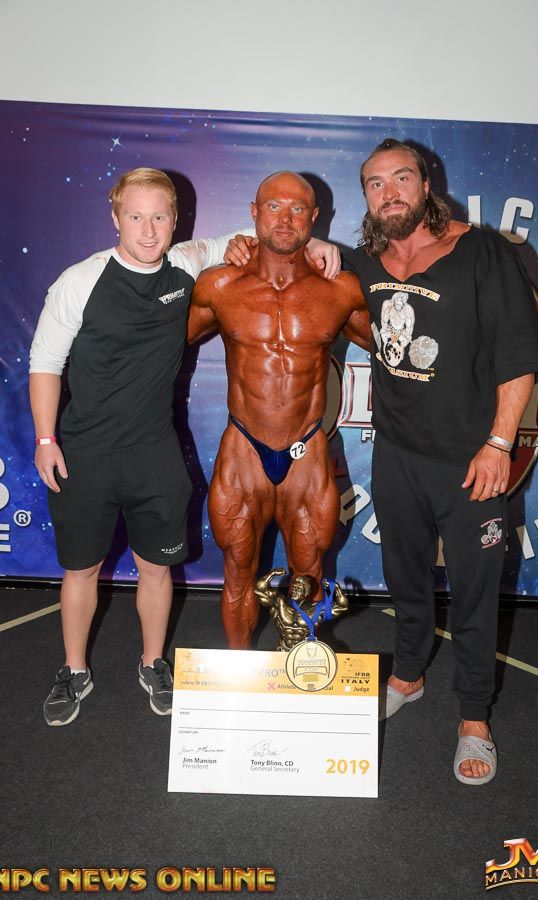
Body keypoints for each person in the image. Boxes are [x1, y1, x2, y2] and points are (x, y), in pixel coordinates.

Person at [29, 167, 339, 727]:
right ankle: (73, 670)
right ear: (116, 217)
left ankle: (153, 663)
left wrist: (314, 243)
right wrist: (46, 438)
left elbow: (269, 235)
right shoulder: (79, 281)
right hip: (84, 453)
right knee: (81, 570)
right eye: (135, 216)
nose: (148, 230)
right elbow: (45, 363)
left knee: (156, 570)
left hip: (155, 454)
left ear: (176, 221)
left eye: (159, 217)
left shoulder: (188, 263)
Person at [344, 138, 538, 784]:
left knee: (474, 590)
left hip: (470, 460)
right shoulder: (364, 260)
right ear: (367, 196)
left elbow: (519, 359)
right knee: (404, 577)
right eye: (376, 183)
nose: (390, 192)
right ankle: (408, 674)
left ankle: (474, 716)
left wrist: (499, 445)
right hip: (395, 453)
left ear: (426, 183)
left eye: (401, 178)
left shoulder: (482, 251)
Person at [187, 171, 371, 650]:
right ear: (254, 212)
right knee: (237, 570)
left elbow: (399, 350)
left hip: (306, 451)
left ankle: (301, 674)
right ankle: (239, 672)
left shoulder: (340, 290)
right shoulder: (220, 284)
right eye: (273, 206)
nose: (285, 219)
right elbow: (157, 339)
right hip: (243, 449)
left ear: (315, 218)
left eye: (297, 209)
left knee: (308, 574)